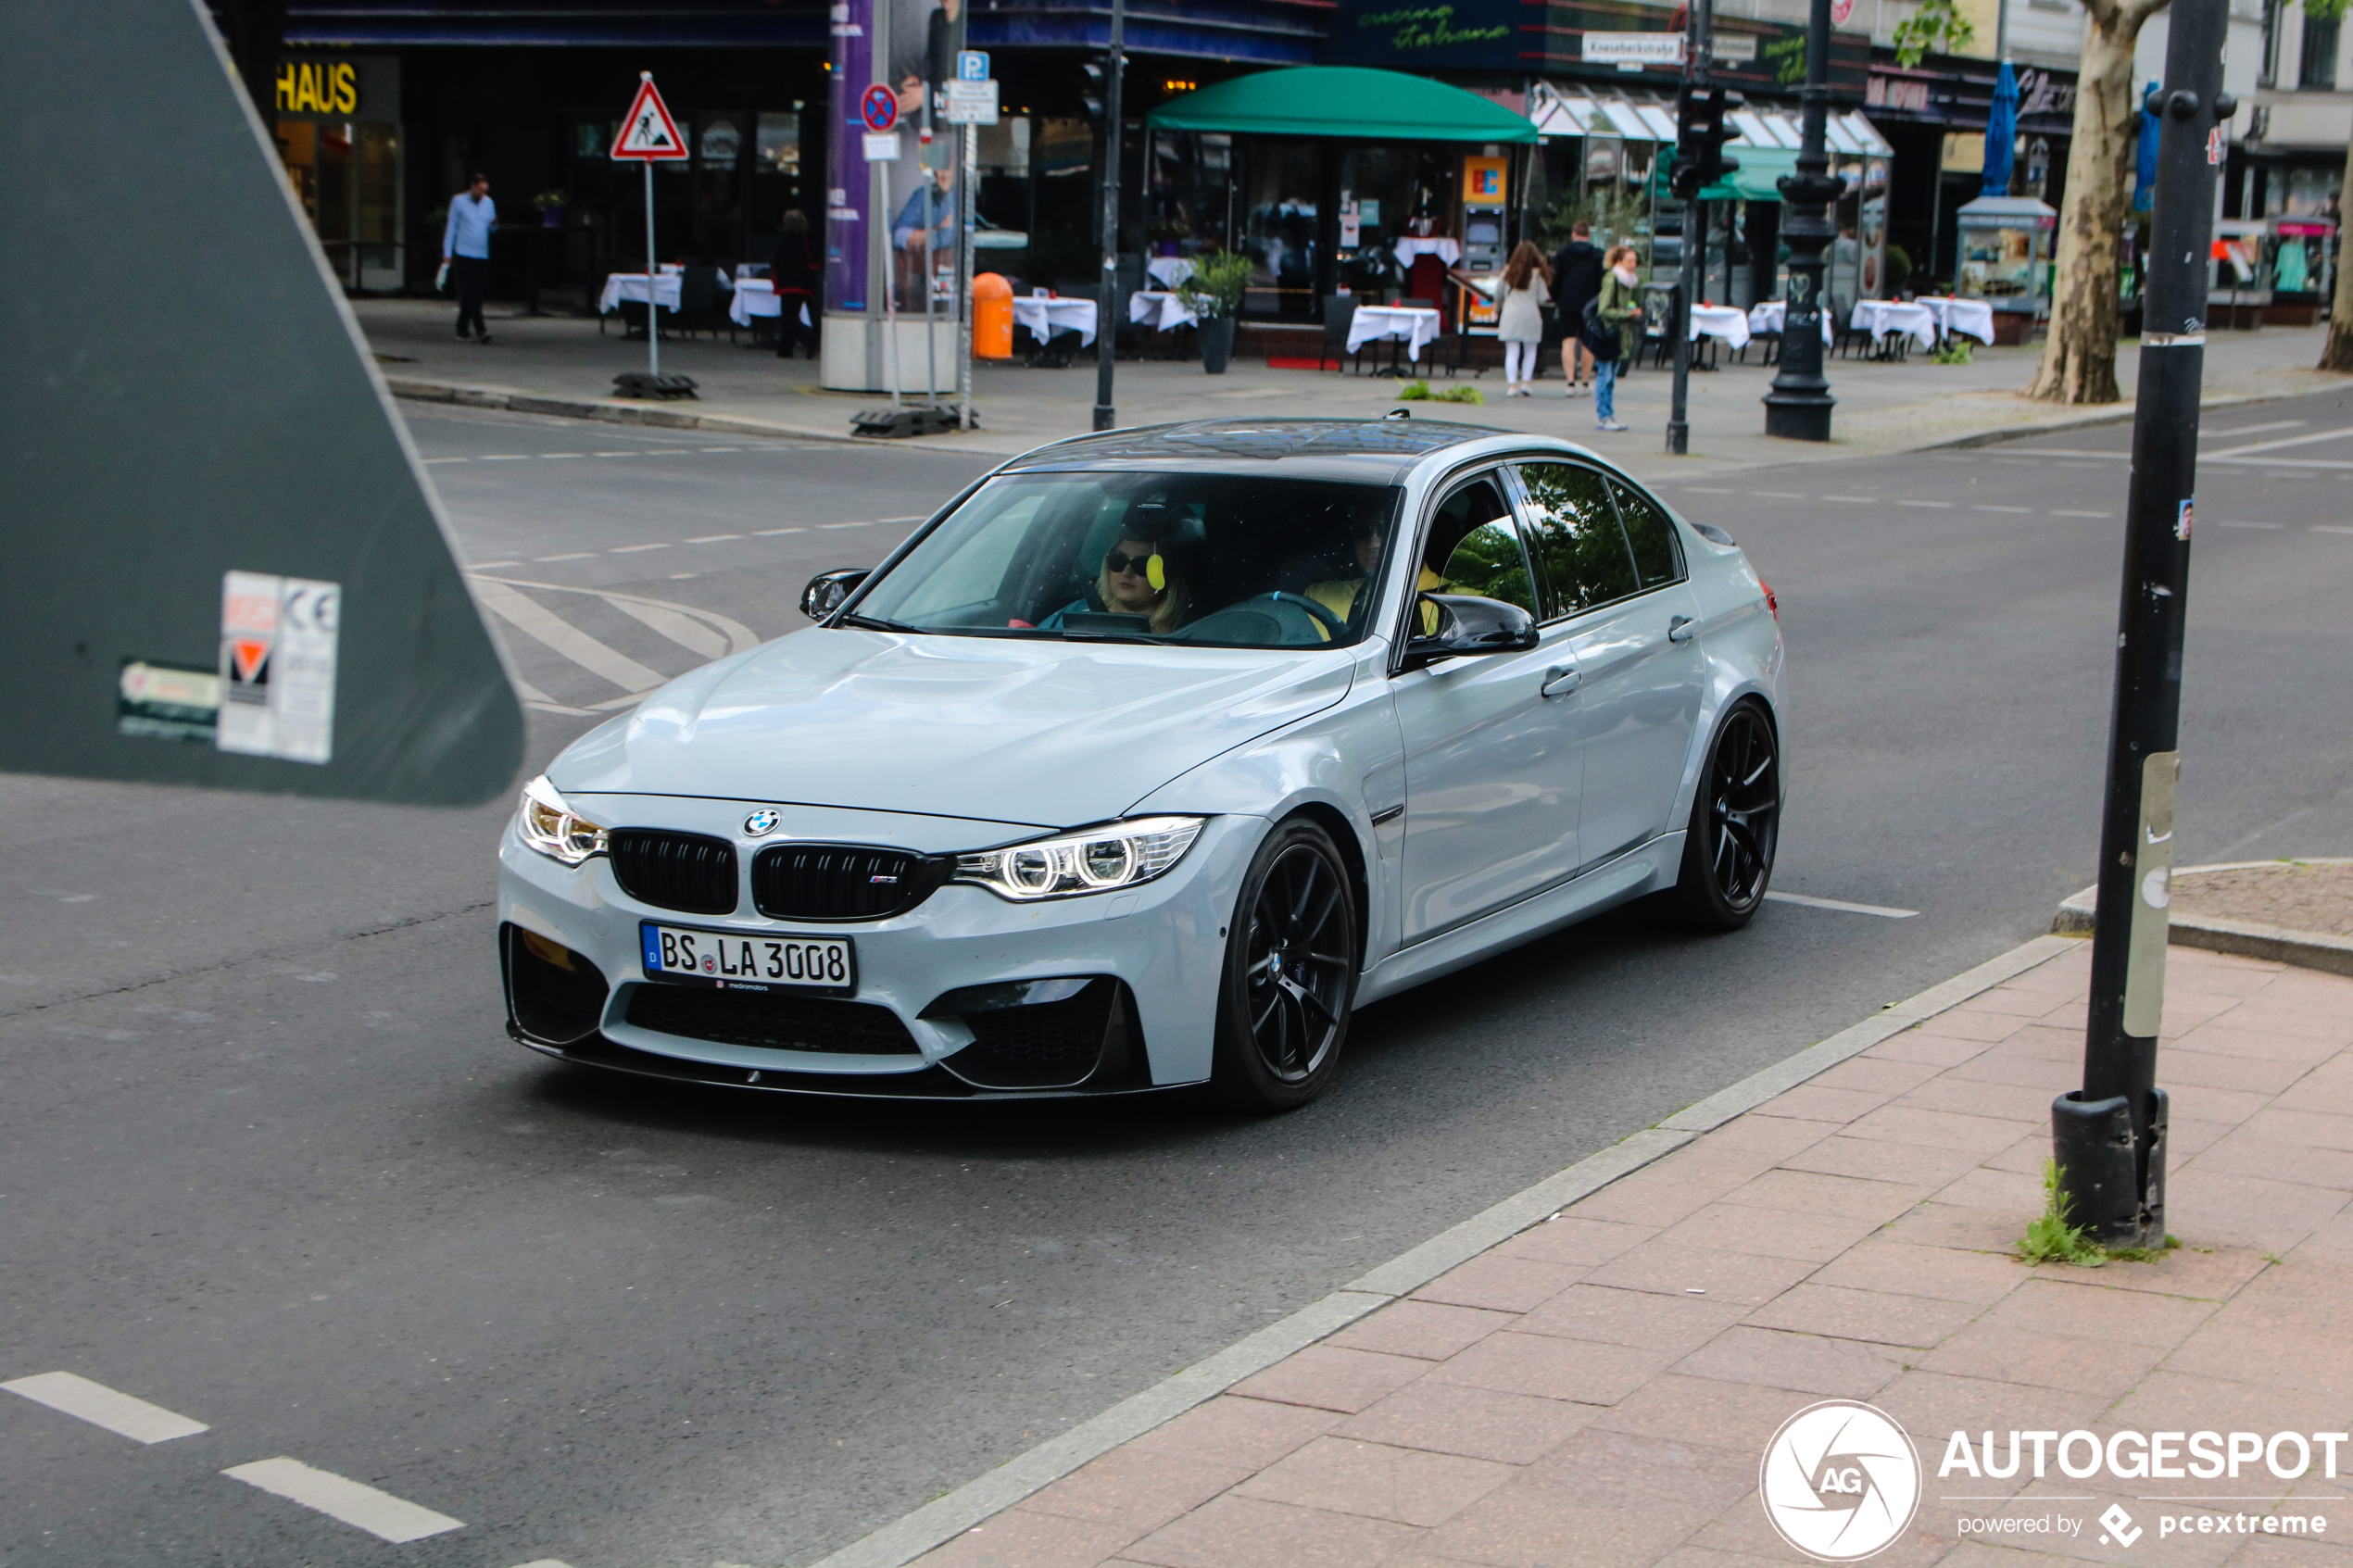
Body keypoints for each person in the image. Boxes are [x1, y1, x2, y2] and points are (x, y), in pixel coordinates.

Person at [1039, 530, 1191, 635]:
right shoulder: (1077, 612)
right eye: (1118, 561)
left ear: (1166, 575)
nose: (1127, 572)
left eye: (1142, 565)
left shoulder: (1184, 633)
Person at [1592, 245, 1644, 433]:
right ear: (1619, 261)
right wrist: (1626, 314)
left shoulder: (1628, 282)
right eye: (1629, 261)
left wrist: (1631, 312)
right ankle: (1603, 416)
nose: (1633, 264)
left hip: (1620, 333)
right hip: (1609, 334)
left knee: (1611, 377)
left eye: (1635, 261)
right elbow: (1604, 309)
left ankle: (1609, 415)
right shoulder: (1612, 279)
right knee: (1605, 375)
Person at [1550, 220, 1604, 396]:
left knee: (1568, 341)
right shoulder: (1597, 255)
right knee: (1588, 343)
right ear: (1589, 235)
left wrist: (1555, 296)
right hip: (1590, 304)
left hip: (1567, 302)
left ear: (1573, 234)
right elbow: (1601, 281)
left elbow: (1554, 279)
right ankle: (1586, 383)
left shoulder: (1563, 254)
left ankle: (1570, 383)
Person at [442, 173, 496, 345]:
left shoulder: (488, 203)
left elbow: (491, 227)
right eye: (480, 189)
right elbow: (452, 227)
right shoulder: (458, 202)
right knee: (473, 289)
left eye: (484, 190)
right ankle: (481, 329)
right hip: (464, 252)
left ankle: (462, 328)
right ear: (472, 186)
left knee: (473, 292)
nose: (482, 193)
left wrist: (494, 225)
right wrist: (447, 253)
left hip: (481, 253)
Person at [770, 209, 819, 360]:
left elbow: (776, 260)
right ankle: (785, 349)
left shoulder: (784, 239)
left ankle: (810, 340)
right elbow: (814, 263)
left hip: (787, 283)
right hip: (803, 284)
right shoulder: (807, 240)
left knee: (789, 317)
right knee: (791, 316)